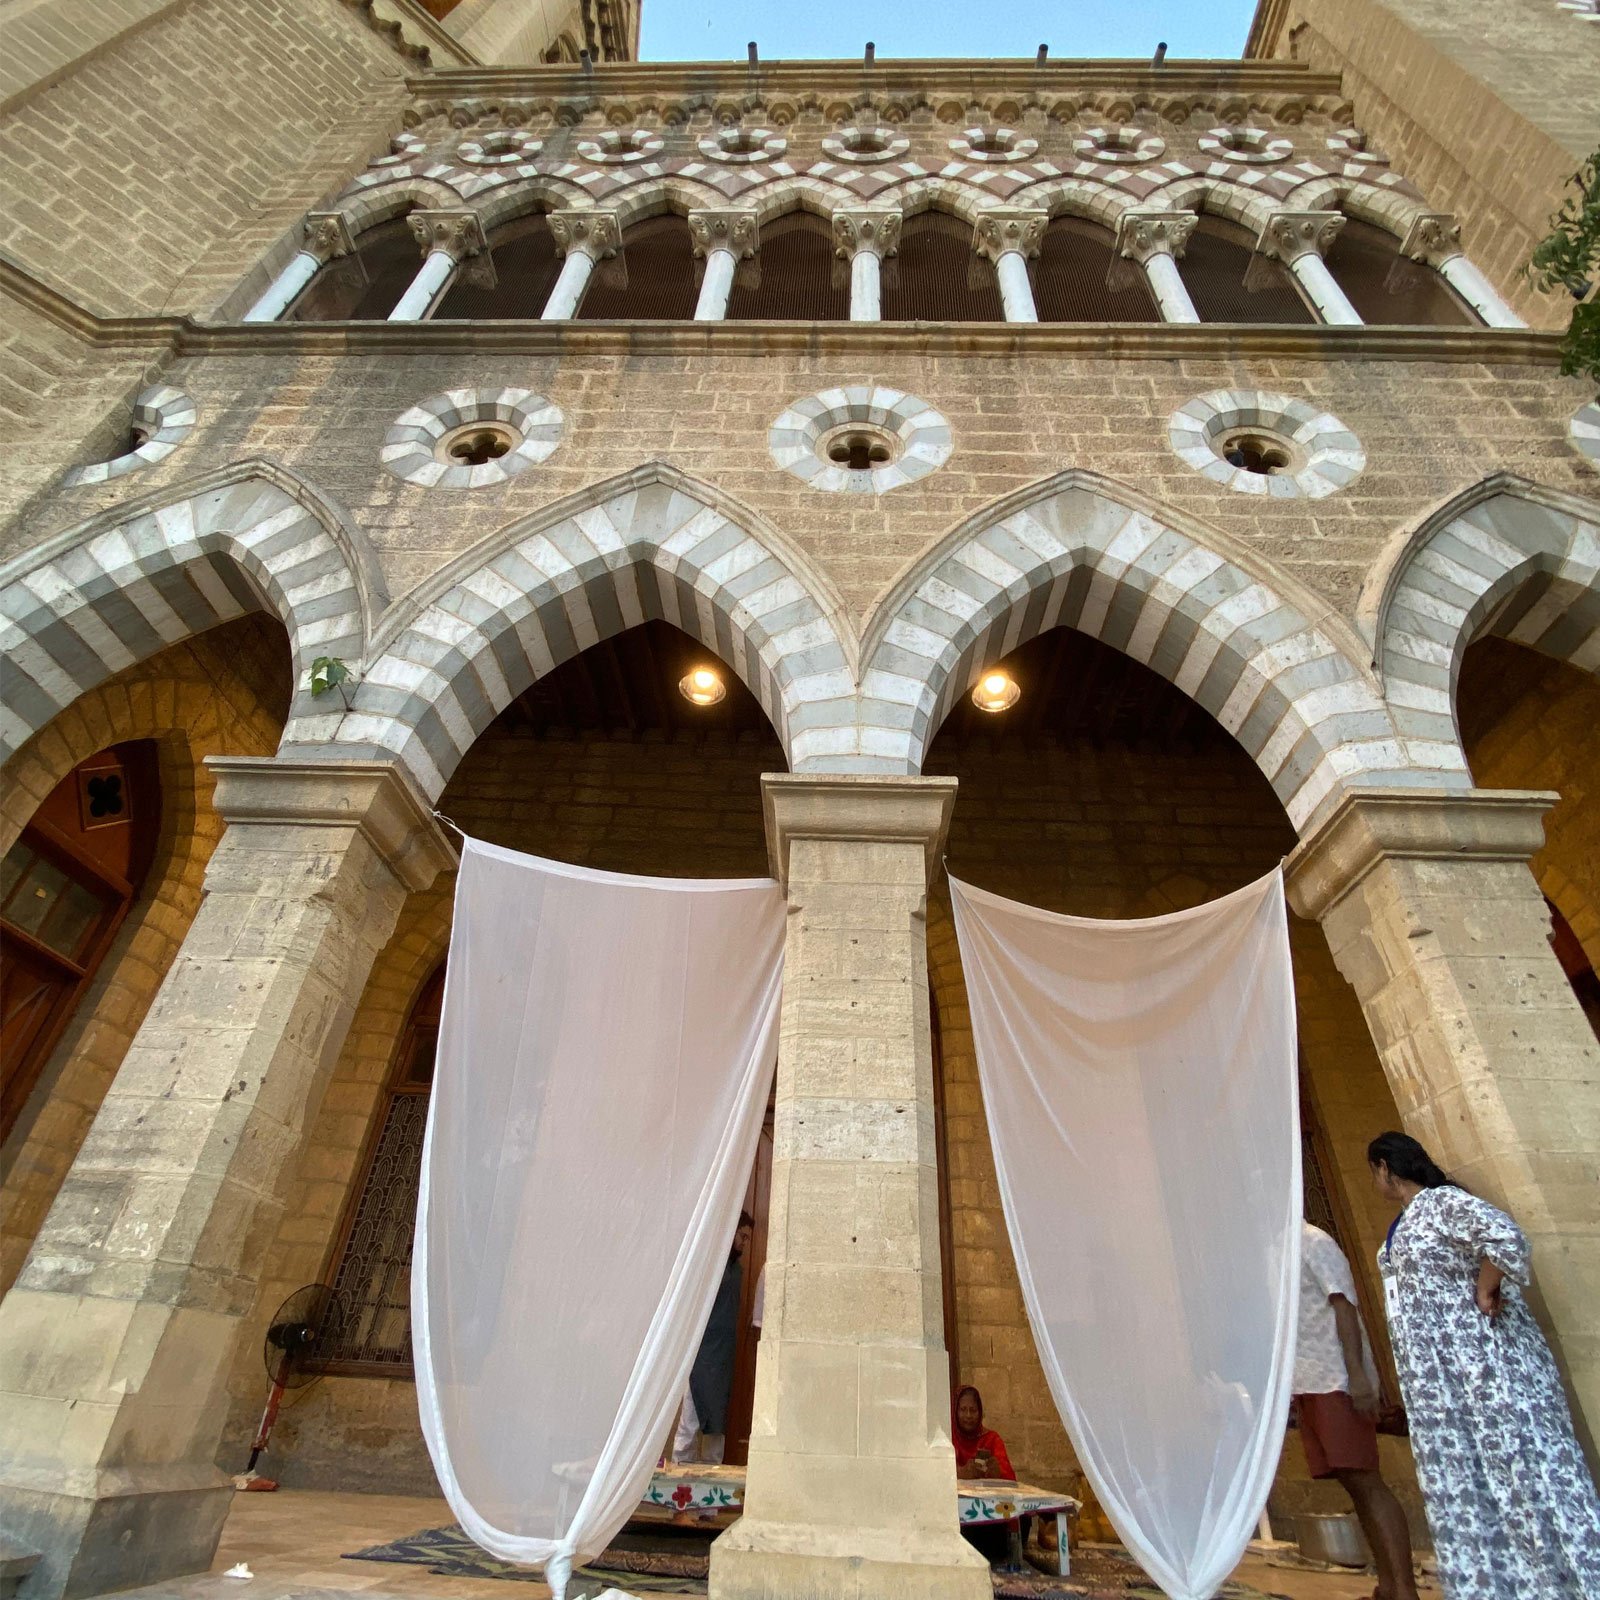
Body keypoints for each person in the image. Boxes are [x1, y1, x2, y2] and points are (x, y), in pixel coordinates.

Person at [1369, 1131, 1600, 1599]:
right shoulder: (1408, 1219)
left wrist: (1485, 1286)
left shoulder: (1441, 1203)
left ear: (1385, 1168)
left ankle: (1564, 1582)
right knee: (1471, 1480)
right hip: (1441, 1380)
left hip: (1482, 1366)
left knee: (1518, 1467)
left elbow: (1505, 1236)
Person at [1294, 1219, 1418, 1600]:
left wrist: (1358, 1376)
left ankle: (1405, 1590)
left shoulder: (1314, 1241)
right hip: (1307, 1380)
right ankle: (1388, 1585)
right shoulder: (1277, 1250)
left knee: (1366, 1478)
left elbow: (1343, 1306)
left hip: (1336, 1377)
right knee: (1352, 1483)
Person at [673, 1211, 753, 1466]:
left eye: (747, 1238)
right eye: (741, 1236)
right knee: (689, 1425)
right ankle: (678, 1495)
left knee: (716, 1431)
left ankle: (708, 1504)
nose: (744, 1242)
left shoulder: (737, 1272)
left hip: (723, 1361)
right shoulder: (709, 1266)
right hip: (700, 1357)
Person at [953, 1385, 1017, 1565]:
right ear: (955, 1411)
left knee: (1021, 1519)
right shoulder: (949, 1439)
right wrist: (962, 1473)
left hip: (990, 1520)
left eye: (973, 1410)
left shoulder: (992, 1439)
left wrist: (996, 1473)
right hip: (961, 1520)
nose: (967, 1415)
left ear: (980, 1412)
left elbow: (1010, 1480)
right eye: (963, 1410)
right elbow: (939, 1474)